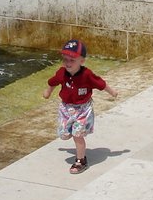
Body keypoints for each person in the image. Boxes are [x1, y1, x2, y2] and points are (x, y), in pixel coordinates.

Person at [43, 38, 117, 174]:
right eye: (65, 59)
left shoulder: (86, 74)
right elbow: (52, 82)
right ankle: (77, 146)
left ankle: (80, 160)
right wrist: (47, 92)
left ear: (81, 61)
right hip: (66, 108)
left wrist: (112, 92)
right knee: (64, 135)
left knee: (77, 135)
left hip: (83, 109)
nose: (68, 63)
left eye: (72, 60)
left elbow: (101, 84)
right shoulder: (61, 73)